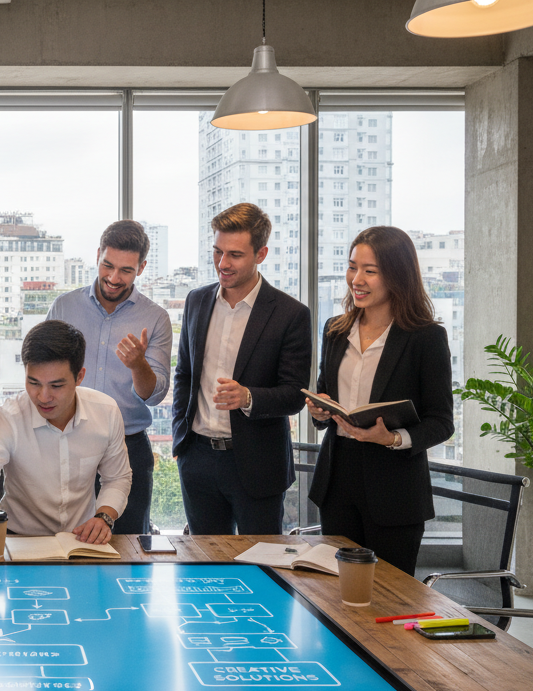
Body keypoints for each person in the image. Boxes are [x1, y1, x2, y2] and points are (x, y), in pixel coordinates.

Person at [306, 227, 454, 576]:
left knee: (391, 594)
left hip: (395, 488)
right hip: (337, 479)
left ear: (397, 275)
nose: (356, 279)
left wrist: (391, 438)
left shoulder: (426, 338)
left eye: (370, 271)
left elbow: (441, 421)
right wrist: (319, 410)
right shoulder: (335, 330)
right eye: (352, 266)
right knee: (337, 591)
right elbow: (325, 398)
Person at [0, 320, 131, 570]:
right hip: (18, 543)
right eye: (33, 383)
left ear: (80, 377)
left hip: (83, 544)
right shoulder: (9, 418)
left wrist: (104, 517)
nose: (43, 397)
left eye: (56, 385)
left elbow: (117, 477)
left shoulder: (106, 412)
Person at [172, 203, 310, 535]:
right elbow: (184, 375)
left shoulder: (290, 314)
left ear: (260, 254)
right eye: (217, 252)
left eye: (235, 255)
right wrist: (181, 440)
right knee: (203, 568)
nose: (223, 264)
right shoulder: (196, 301)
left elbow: (294, 395)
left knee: (260, 568)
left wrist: (248, 397)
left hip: (257, 465)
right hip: (198, 459)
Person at [46, 220, 172, 536]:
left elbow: (154, 395)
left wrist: (138, 364)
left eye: (126, 271)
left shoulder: (156, 318)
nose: (114, 278)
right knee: (61, 540)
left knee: (128, 546)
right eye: (107, 265)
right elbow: (42, 373)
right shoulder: (64, 306)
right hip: (66, 442)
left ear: (141, 267)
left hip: (128, 447)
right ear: (98, 254)